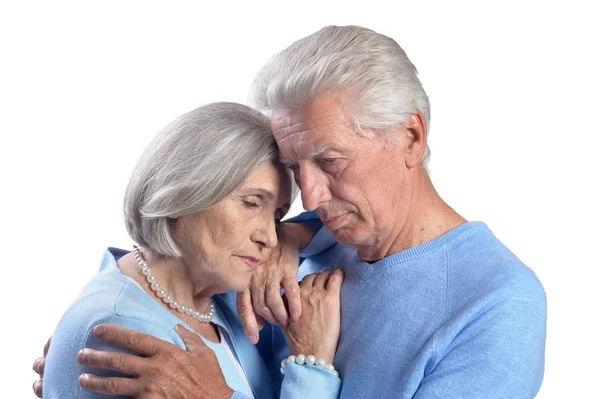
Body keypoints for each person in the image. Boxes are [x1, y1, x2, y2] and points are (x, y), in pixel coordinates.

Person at [34, 25, 547, 398]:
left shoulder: (498, 303)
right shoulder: (300, 242)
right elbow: (177, 272)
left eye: (329, 161)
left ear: (410, 137)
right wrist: (98, 330)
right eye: (296, 168)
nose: (312, 196)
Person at [38, 102, 344, 399]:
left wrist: (291, 236)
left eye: (276, 216)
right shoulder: (127, 336)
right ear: (183, 191)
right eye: (251, 204)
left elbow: (352, 217)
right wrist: (310, 365)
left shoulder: (217, 295)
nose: (269, 237)